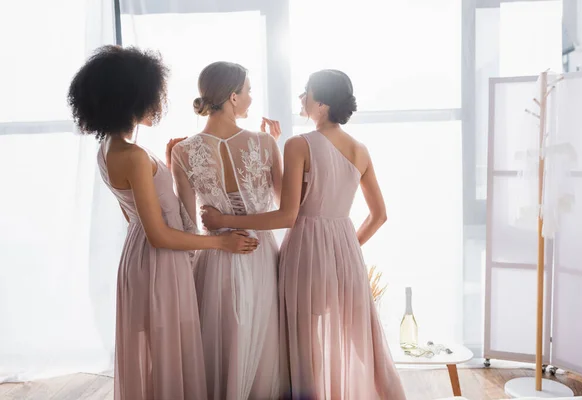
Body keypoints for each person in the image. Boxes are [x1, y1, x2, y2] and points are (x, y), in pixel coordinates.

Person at [201, 69, 407, 399]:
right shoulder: (360, 149)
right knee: (360, 339)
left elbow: (287, 215)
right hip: (346, 253)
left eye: (306, 92)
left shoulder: (300, 145)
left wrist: (222, 218)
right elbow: (379, 215)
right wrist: (345, 246)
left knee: (304, 345)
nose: (302, 98)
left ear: (321, 102)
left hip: (307, 252)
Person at [67, 46, 258, 400]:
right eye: (156, 95)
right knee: (171, 348)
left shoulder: (110, 149)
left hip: (142, 258)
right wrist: (221, 242)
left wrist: (169, 160)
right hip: (159, 262)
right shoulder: (135, 156)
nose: (159, 103)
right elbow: (158, 234)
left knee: (162, 349)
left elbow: (136, 217)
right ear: (132, 98)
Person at [169, 61, 284, 399]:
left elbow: (187, 224)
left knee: (220, 343)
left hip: (214, 256)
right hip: (260, 254)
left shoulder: (183, 151)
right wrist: (274, 146)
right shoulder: (264, 143)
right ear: (233, 97)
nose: (251, 98)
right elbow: (286, 209)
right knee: (263, 345)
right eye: (248, 91)